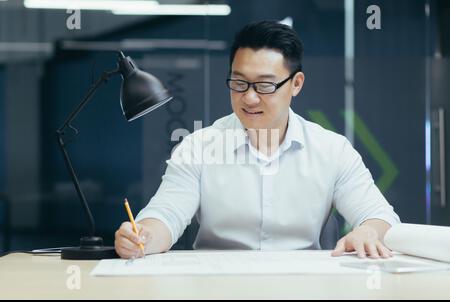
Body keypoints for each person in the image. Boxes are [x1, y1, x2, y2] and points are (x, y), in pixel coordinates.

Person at [114, 20, 400, 260]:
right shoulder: (198, 147)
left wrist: (369, 230)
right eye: (239, 83)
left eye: (264, 85)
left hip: (304, 289)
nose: (249, 98)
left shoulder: (332, 150)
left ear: (296, 84)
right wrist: (143, 237)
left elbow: (381, 217)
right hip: (219, 292)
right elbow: (166, 214)